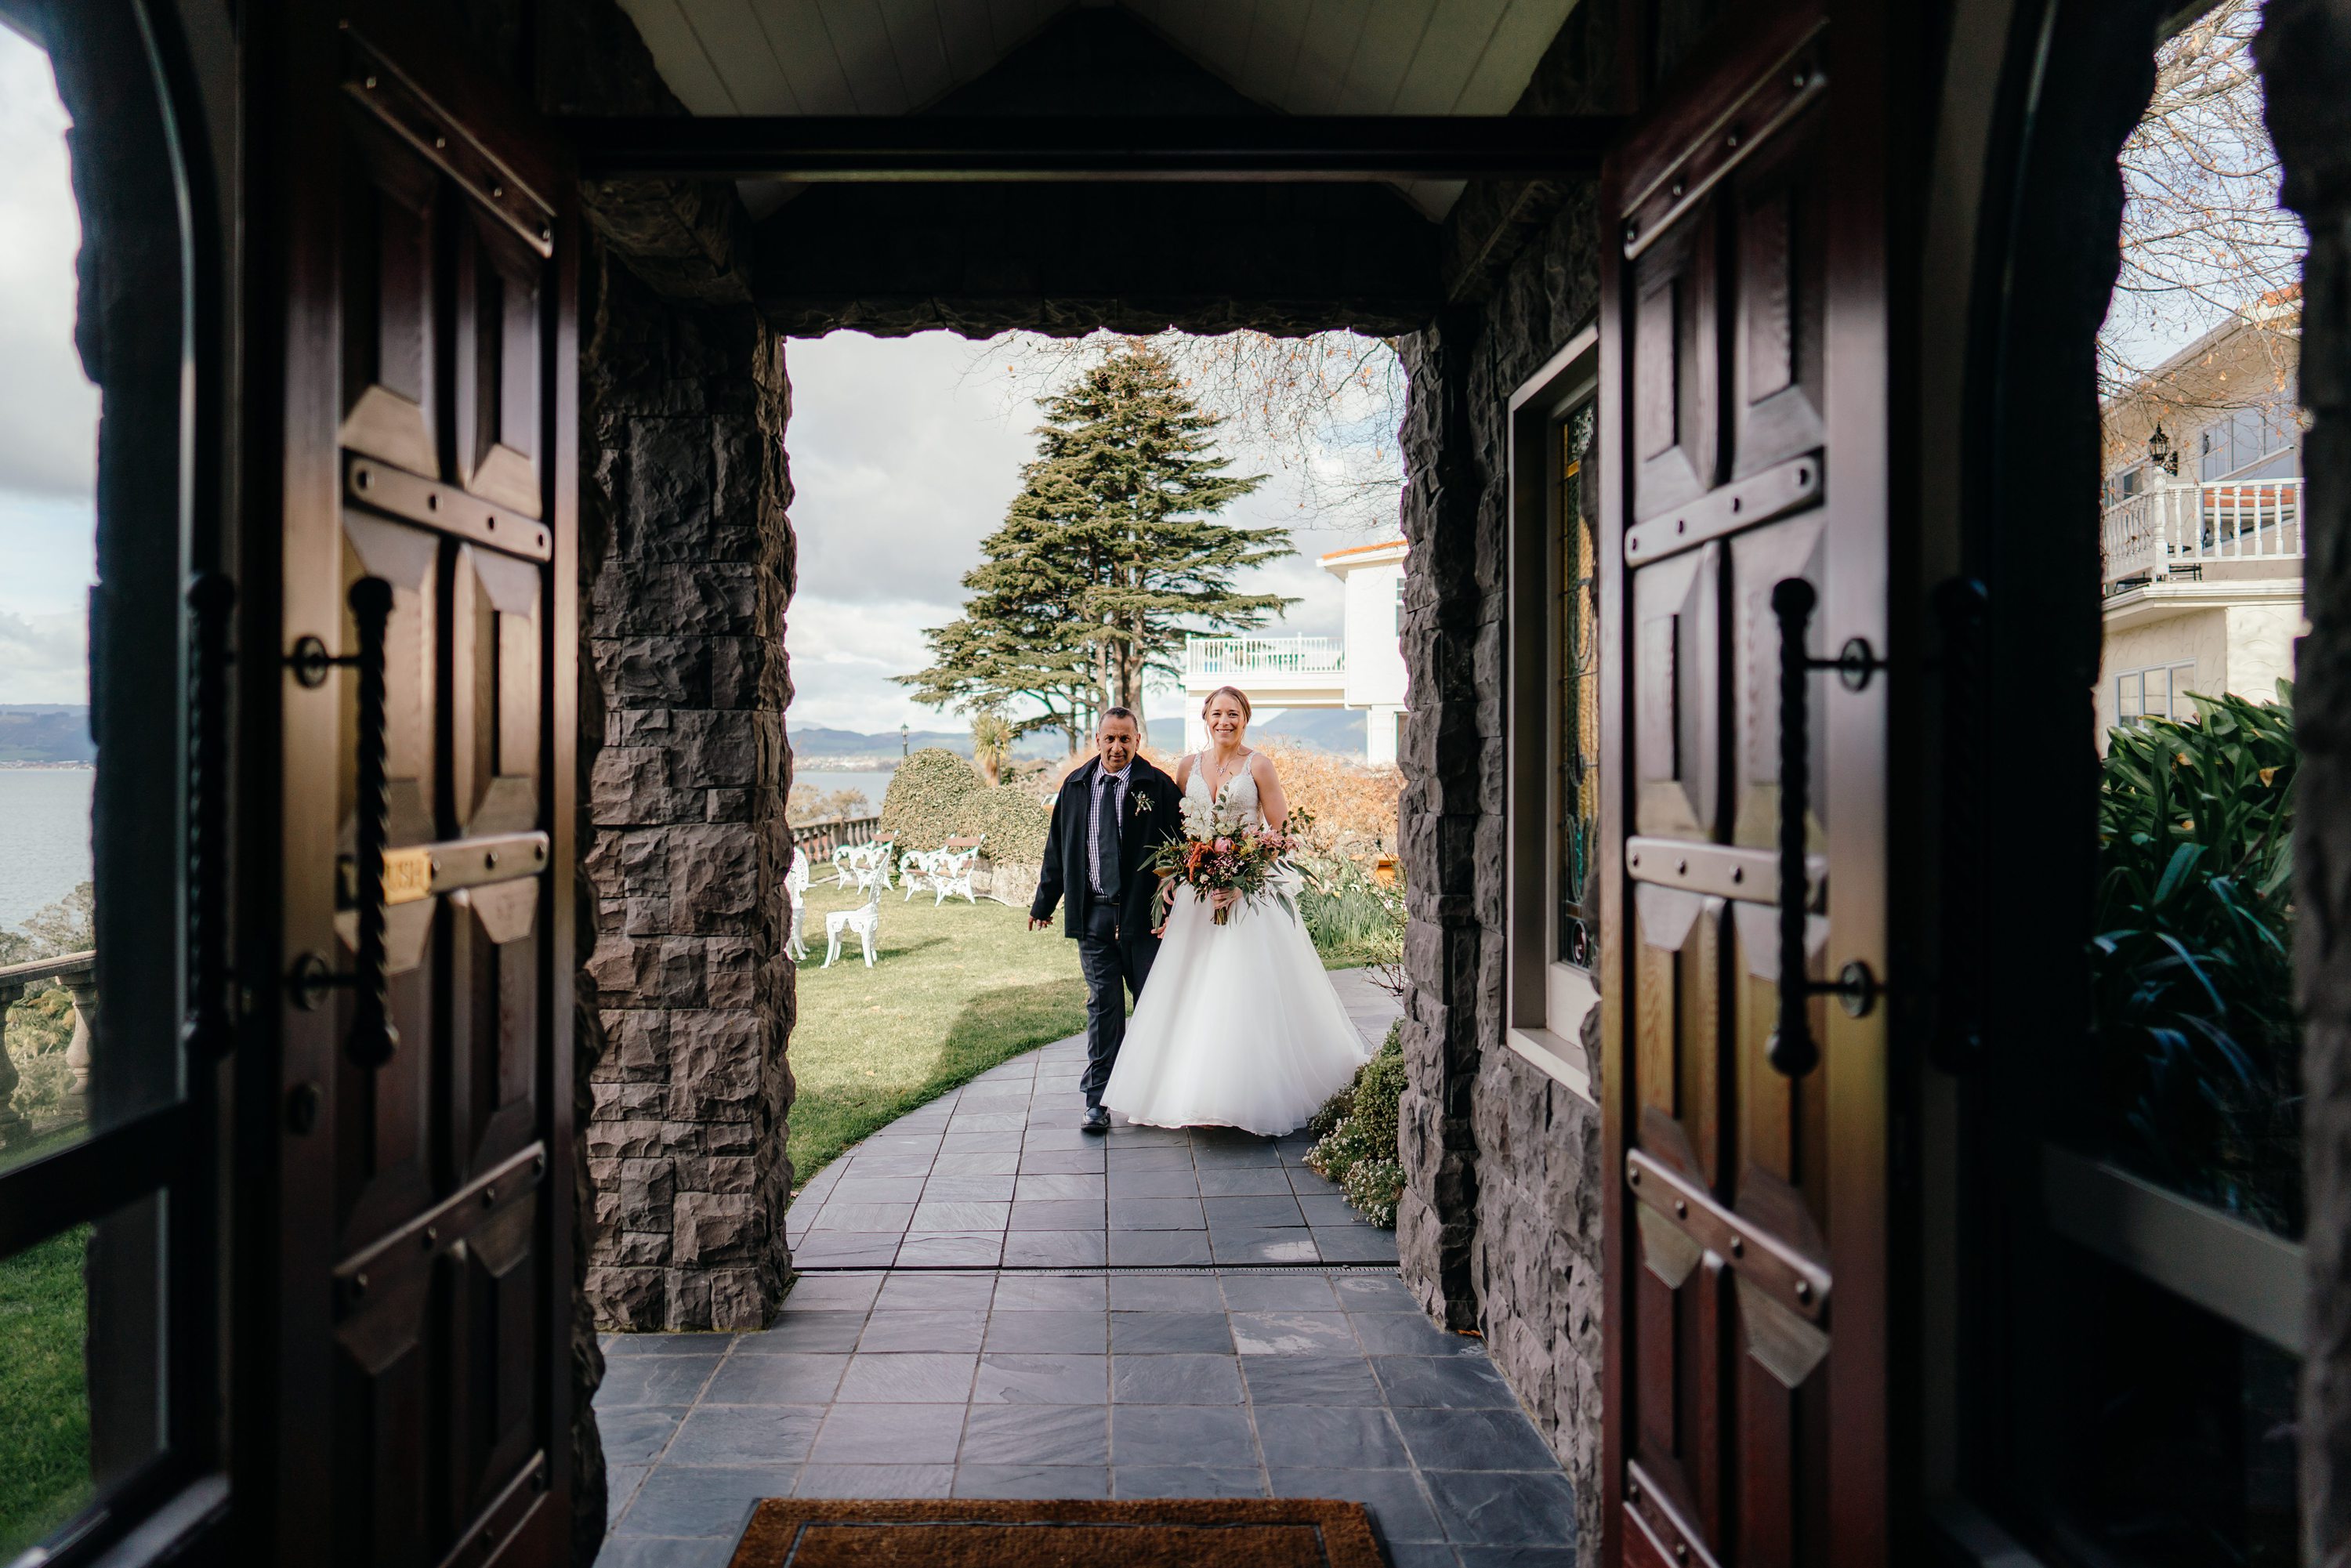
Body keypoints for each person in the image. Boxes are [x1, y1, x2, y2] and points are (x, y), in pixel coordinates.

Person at [1099, 685, 1371, 1135]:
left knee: (1244, 994)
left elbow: (1281, 834)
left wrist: (1241, 881)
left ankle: (1249, 1095)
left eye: (1233, 714)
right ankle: (1195, 1094)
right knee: (1194, 993)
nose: (1224, 721)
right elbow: (1179, 834)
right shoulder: (1187, 767)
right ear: (1205, 718)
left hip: (1249, 898)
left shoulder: (1258, 765)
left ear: (1245, 718)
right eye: (1217, 713)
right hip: (1198, 898)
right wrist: (1176, 876)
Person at [1029, 708, 1185, 1132]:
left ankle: (1157, 1092)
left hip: (1143, 919)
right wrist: (1044, 903)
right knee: (1104, 1007)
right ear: (1097, 740)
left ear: (1138, 741)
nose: (1117, 748)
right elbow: (1057, 849)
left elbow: (1185, 844)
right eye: (1109, 739)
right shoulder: (1077, 786)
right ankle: (1097, 1099)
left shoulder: (1158, 786)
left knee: (1151, 1004)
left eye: (1126, 740)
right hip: (1093, 916)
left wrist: (1178, 888)